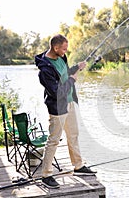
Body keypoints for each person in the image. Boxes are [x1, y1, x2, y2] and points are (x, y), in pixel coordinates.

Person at [35, 34, 96, 189]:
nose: (65, 51)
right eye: (63, 49)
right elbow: (56, 91)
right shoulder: (44, 70)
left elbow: (65, 74)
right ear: (55, 48)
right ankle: (46, 175)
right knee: (54, 139)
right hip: (58, 108)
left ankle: (78, 166)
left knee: (73, 135)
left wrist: (76, 68)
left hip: (69, 103)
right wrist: (72, 80)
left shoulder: (61, 58)